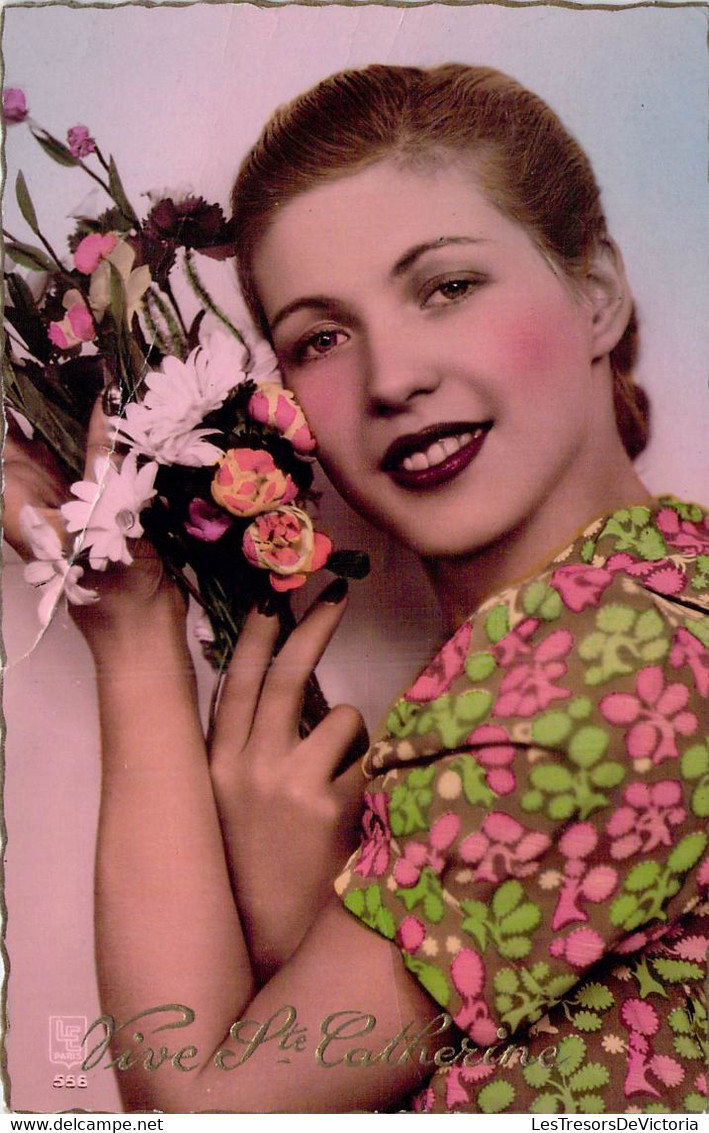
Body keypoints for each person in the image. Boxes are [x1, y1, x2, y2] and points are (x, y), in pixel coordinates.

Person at [4, 63, 708, 1114]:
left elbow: (199, 1110)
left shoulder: (606, 669)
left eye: (447, 286)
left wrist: (134, 633)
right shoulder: (660, 590)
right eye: (319, 338)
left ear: (594, 293)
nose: (389, 379)